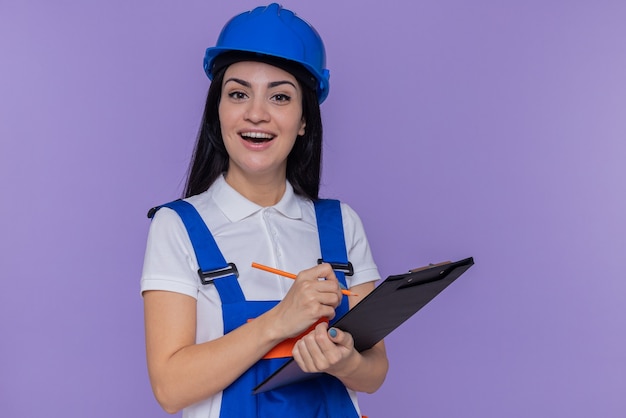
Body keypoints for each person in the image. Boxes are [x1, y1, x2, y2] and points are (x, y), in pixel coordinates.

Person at [141, 4, 388, 417]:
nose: (257, 113)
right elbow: (170, 388)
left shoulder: (341, 224)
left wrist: (345, 362)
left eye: (280, 96)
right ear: (217, 110)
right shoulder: (178, 226)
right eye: (238, 93)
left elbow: (375, 372)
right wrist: (279, 321)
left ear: (305, 119)